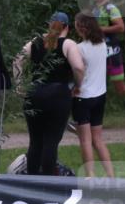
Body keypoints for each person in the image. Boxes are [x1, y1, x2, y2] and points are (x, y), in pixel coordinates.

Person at [13, 12, 85, 177]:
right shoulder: (68, 44)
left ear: (49, 25)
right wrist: (78, 85)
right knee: (51, 141)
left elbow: (17, 60)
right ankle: (48, 181)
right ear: (67, 27)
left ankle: (32, 180)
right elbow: (79, 68)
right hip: (58, 96)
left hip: (34, 94)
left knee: (36, 142)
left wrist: (19, 85)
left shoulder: (35, 42)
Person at [72, 12, 114, 178]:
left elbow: (78, 71)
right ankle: (111, 176)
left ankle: (90, 176)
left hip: (83, 97)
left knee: (85, 141)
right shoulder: (103, 44)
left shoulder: (79, 48)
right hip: (100, 97)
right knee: (98, 140)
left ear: (81, 27)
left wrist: (76, 87)